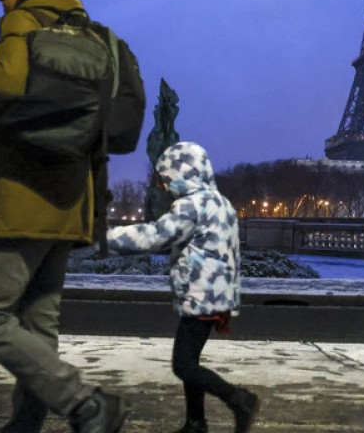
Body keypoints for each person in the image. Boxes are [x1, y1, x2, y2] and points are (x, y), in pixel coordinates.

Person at [0, 0, 145, 433]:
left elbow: (6, 82)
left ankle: (86, 404)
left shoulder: (23, 21)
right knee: (39, 324)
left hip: (18, 195)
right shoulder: (100, 37)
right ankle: (26, 425)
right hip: (72, 202)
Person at [107, 141, 261, 433]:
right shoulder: (222, 203)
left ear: (180, 174)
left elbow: (155, 236)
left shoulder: (191, 206)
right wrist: (229, 300)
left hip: (200, 295)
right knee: (190, 360)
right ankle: (195, 423)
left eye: (165, 178)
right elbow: (233, 254)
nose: (163, 186)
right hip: (216, 295)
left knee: (183, 365)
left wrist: (108, 238)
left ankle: (238, 399)